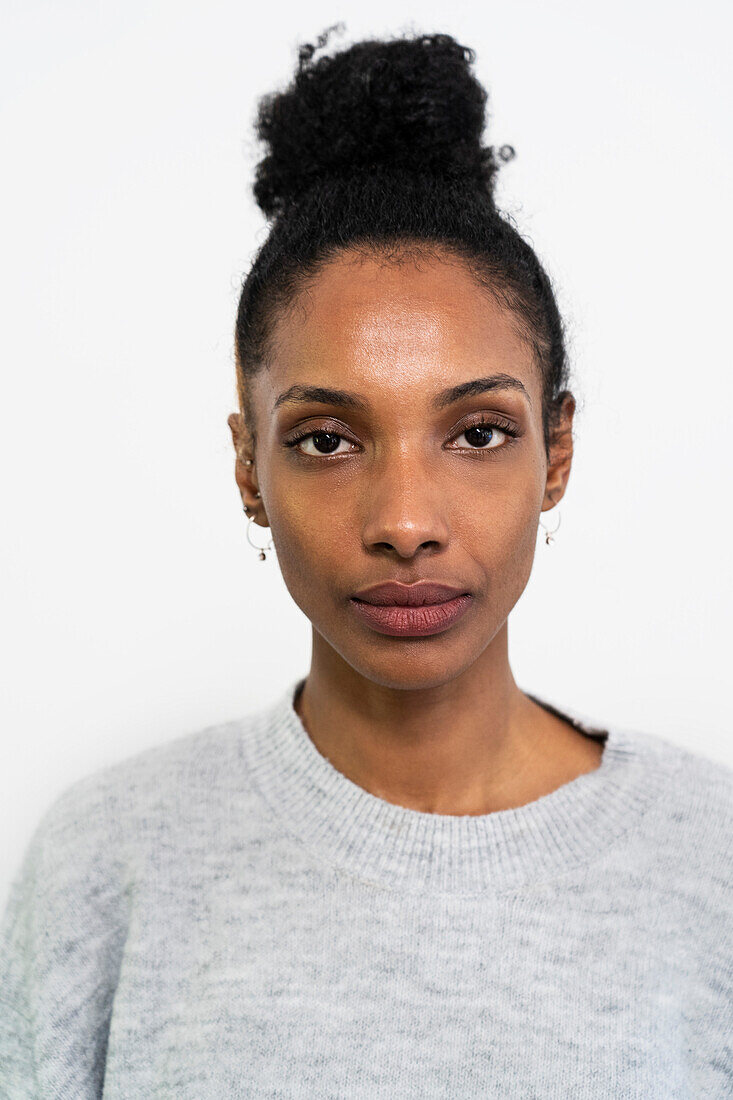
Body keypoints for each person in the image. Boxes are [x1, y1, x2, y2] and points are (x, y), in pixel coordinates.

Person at [1, 27, 731, 1099]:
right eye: (327, 439)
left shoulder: (710, 865)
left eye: (476, 431)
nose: (403, 520)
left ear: (555, 452)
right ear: (249, 465)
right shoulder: (106, 866)